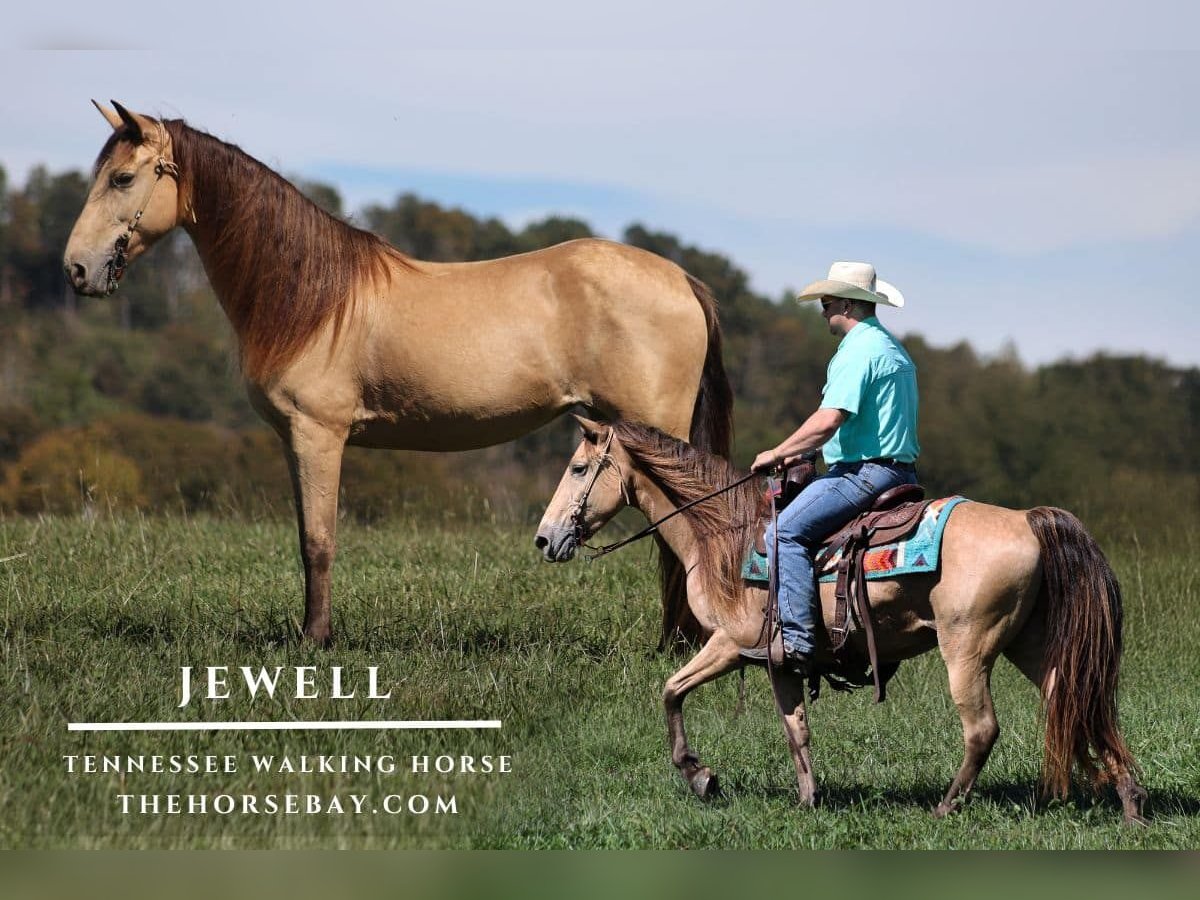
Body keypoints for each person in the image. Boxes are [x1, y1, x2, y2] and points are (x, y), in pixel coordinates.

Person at [746, 261, 920, 673]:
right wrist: (798, 452)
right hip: (901, 472)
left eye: (826, 303)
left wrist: (776, 452)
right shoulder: (890, 347)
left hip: (863, 475)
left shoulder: (859, 351)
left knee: (783, 534)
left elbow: (829, 419)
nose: (823, 311)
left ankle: (797, 644)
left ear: (847, 303)